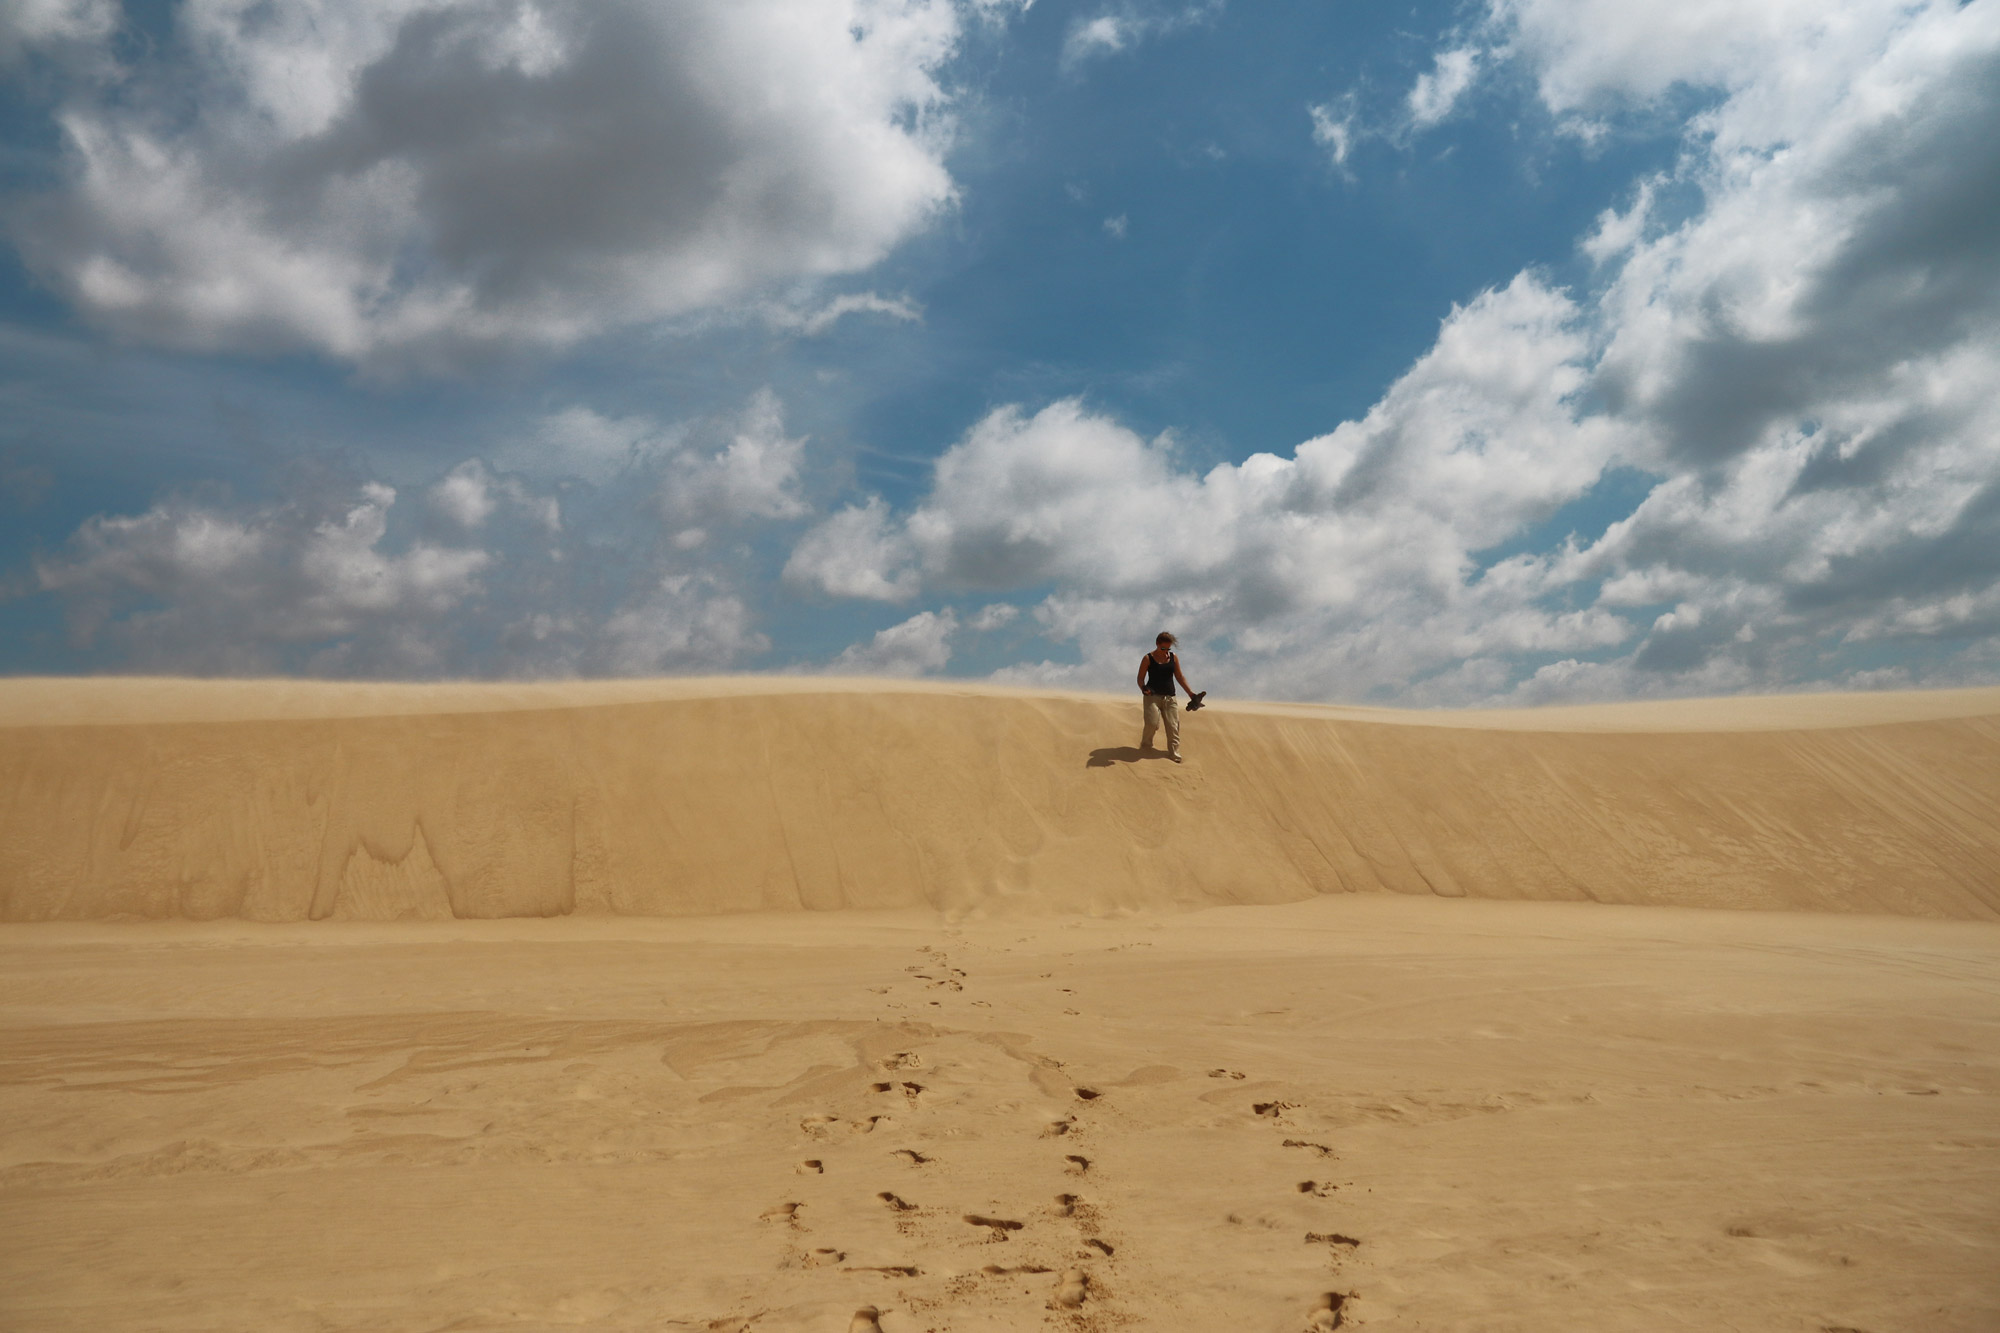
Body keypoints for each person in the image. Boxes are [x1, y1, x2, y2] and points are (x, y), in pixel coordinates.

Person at [1136, 631, 1197, 762]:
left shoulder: (1173, 657)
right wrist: (1143, 688)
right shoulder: (1148, 658)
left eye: (1168, 648)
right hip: (1152, 697)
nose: (1165, 651)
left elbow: (1179, 677)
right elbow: (1140, 678)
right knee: (1152, 724)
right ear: (1157, 644)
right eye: (1163, 648)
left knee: (1173, 726)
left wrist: (1191, 693)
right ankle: (1146, 746)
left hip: (1170, 697)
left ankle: (1174, 753)